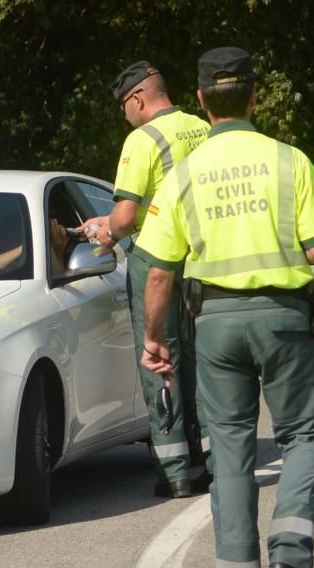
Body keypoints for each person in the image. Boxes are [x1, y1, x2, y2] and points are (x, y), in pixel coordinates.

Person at [137, 47, 314, 568]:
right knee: (303, 434)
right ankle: (292, 553)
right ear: (255, 95)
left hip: (215, 325)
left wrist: (155, 338)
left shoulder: (183, 174)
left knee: (230, 450)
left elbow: (158, 271)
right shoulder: (289, 161)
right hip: (283, 317)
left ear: (201, 101)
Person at [79, 60, 212, 499]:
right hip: (207, 260)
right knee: (203, 362)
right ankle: (209, 458)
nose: (124, 114)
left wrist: (108, 230)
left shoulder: (142, 139)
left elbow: (128, 215)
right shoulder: (201, 127)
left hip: (160, 260)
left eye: (124, 106)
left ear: (136, 98)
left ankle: (174, 469)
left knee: (160, 360)